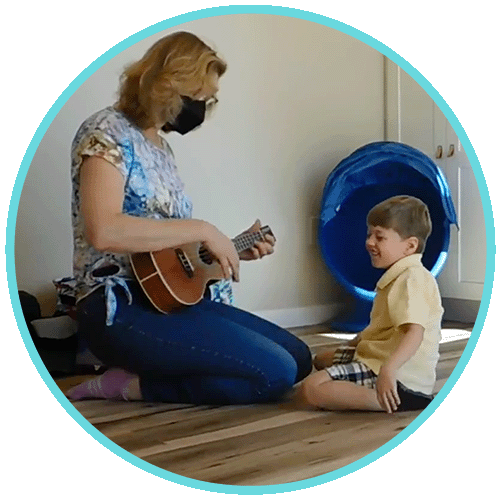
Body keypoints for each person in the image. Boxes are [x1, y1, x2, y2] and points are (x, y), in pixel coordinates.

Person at [65, 31, 312, 405]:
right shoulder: (106, 132)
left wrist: (227, 249)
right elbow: (104, 230)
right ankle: (125, 385)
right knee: (275, 374)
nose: (202, 107)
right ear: (165, 85)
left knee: (299, 358)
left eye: (208, 100)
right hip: (117, 307)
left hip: (168, 302)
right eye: (198, 96)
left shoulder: (161, 149)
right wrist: (203, 229)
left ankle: (161, 368)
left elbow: (170, 259)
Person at [295, 195, 443, 413]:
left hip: (395, 371)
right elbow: (380, 328)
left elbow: (414, 332)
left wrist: (388, 371)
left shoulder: (412, 279)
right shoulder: (398, 275)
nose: (369, 242)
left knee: (311, 389)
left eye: (379, 237)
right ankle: (377, 389)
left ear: (409, 246)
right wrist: (354, 345)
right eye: (369, 234)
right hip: (377, 355)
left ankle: (391, 399)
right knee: (322, 359)